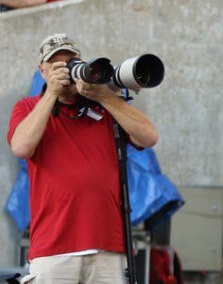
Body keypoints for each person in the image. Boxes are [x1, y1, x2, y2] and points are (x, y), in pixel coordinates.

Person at [7, 33, 158, 281]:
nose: (66, 71)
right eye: (57, 66)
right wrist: (51, 95)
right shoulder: (28, 107)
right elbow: (22, 147)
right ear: (42, 71)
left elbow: (149, 137)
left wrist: (105, 97)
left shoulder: (104, 104)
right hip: (54, 247)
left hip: (107, 245)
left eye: (71, 63)